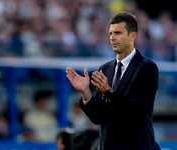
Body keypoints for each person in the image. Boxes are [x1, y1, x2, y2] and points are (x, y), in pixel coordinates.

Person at [66, 11, 161, 150]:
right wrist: (86, 94)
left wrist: (108, 92)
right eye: (110, 33)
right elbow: (98, 117)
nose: (112, 38)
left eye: (118, 33)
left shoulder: (147, 67)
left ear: (132, 35)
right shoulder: (105, 69)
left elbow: (139, 111)